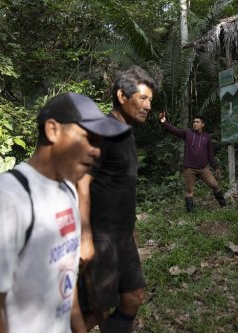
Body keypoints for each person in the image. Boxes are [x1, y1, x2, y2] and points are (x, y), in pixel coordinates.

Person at [0, 92, 130, 333]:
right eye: (88, 137)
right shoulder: (5, 199)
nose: (96, 151)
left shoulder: (68, 191)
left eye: (99, 143)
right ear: (52, 130)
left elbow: (65, 285)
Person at [77, 66, 158, 333]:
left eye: (150, 100)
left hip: (122, 237)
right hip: (101, 239)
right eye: (142, 98)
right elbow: (82, 182)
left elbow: (120, 187)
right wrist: (86, 239)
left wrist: (131, 229)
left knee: (133, 297)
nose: (147, 106)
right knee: (90, 316)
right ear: (122, 96)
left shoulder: (127, 132)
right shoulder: (102, 131)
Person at [158, 112, 226, 213]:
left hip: (203, 168)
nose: (195, 124)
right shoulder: (187, 133)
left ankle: (224, 206)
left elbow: (210, 154)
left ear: (202, 124)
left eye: (198, 122)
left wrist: (216, 167)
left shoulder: (207, 137)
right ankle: (190, 212)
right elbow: (174, 130)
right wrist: (163, 121)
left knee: (215, 185)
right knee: (189, 190)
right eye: (194, 122)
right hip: (190, 168)